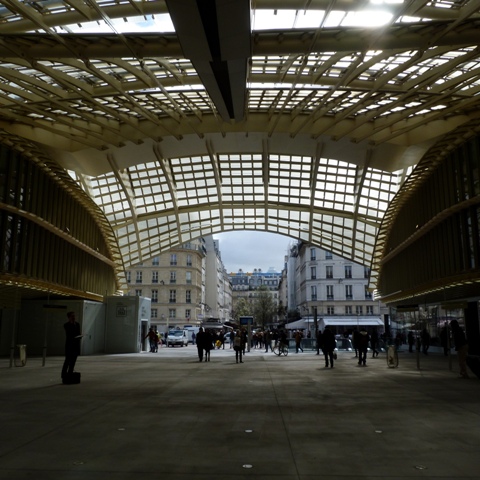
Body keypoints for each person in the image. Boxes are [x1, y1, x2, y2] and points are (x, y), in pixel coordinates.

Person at [61, 311, 82, 380]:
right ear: (69, 317)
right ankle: (64, 374)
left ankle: (70, 373)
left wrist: (79, 336)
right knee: (67, 360)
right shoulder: (66, 325)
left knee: (73, 361)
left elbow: (78, 333)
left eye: (74, 316)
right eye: (72, 316)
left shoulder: (77, 324)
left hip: (75, 345)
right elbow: (70, 334)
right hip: (69, 345)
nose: (74, 317)